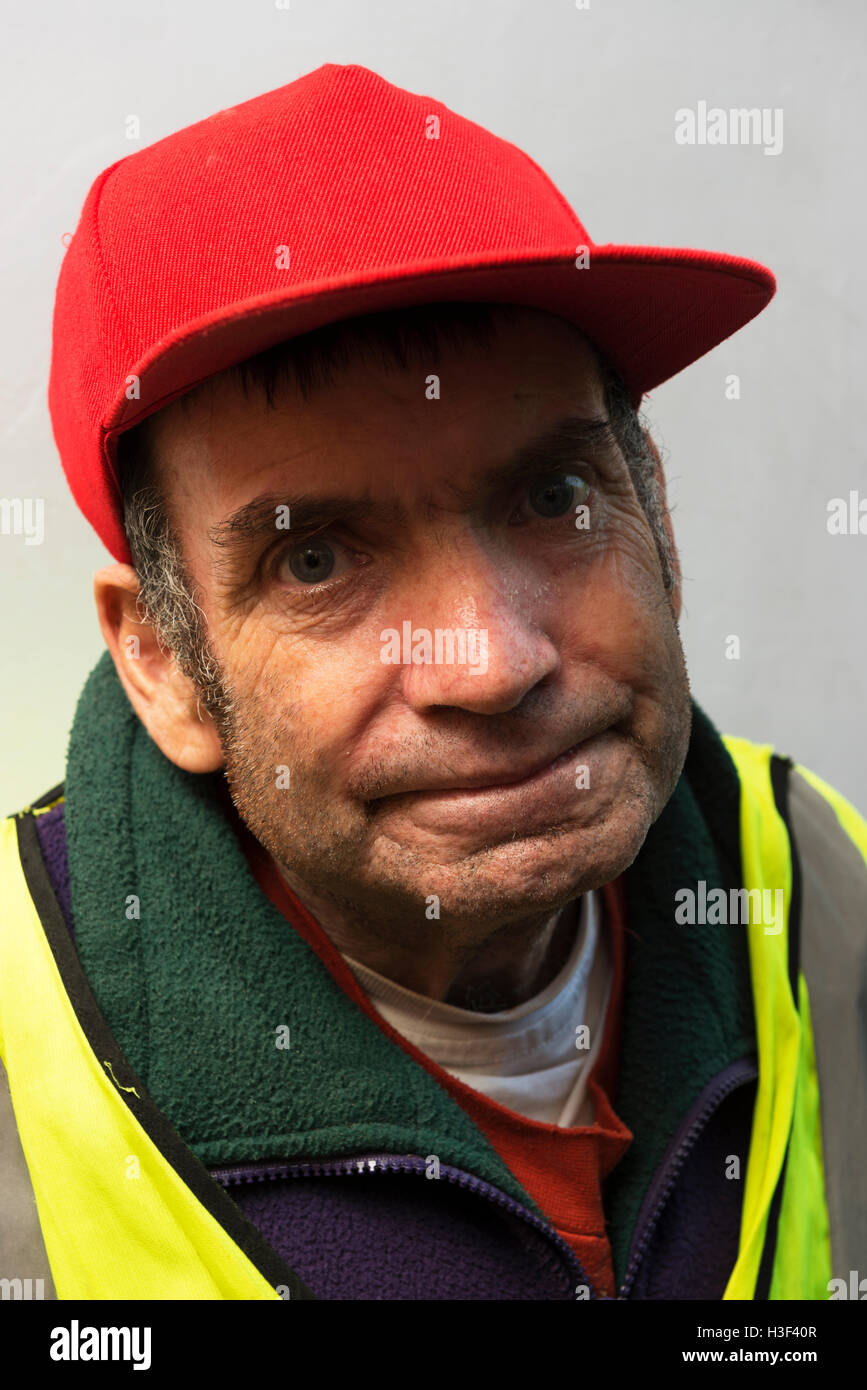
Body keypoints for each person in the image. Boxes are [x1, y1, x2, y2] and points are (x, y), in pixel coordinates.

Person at [2, 62, 865, 1302]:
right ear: (162, 665)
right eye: (316, 560)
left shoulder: (823, 890)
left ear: (656, 514)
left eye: (555, 499)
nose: (497, 663)